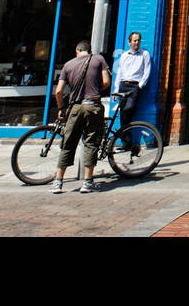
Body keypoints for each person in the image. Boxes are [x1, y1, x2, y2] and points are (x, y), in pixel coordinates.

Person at [51, 39, 110, 194]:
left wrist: (61, 108)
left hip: (75, 107)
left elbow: (58, 91)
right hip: (93, 105)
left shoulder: (68, 65)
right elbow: (106, 82)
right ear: (89, 50)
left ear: (77, 51)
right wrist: (96, 88)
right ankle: (87, 182)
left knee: (68, 143)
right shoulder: (98, 59)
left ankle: (58, 182)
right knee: (91, 142)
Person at [111, 31, 151, 123]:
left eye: (138, 40)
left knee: (129, 110)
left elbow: (147, 71)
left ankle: (125, 135)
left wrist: (140, 86)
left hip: (134, 86)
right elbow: (120, 73)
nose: (137, 42)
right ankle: (125, 136)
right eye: (134, 41)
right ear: (129, 42)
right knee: (123, 113)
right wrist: (116, 89)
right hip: (123, 85)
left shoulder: (144, 54)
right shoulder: (124, 55)